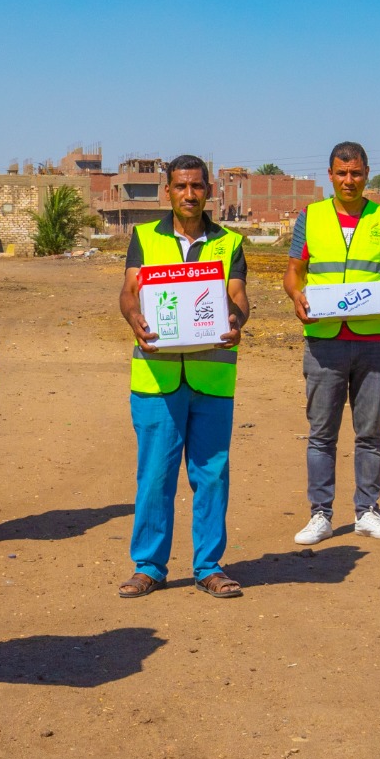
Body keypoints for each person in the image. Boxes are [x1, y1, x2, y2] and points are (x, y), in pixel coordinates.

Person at [116, 154, 250, 599]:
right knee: (155, 474)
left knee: (211, 474)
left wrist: (235, 319)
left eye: (197, 186)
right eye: (180, 186)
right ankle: (149, 566)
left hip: (211, 378)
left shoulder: (228, 242)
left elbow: (237, 295)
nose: (189, 194)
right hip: (156, 378)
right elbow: (129, 291)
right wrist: (133, 315)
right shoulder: (144, 237)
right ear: (167, 190)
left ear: (209, 190)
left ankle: (209, 566)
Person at [282, 142, 380, 546]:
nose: (349, 180)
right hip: (324, 342)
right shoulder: (311, 217)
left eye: (356, 173)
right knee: (322, 433)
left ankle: (367, 511)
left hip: (374, 341)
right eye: (342, 173)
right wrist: (296, 297)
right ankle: (320, 514)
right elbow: (294, 272)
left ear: (367, 173)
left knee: (370, 432)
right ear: (330, 174)